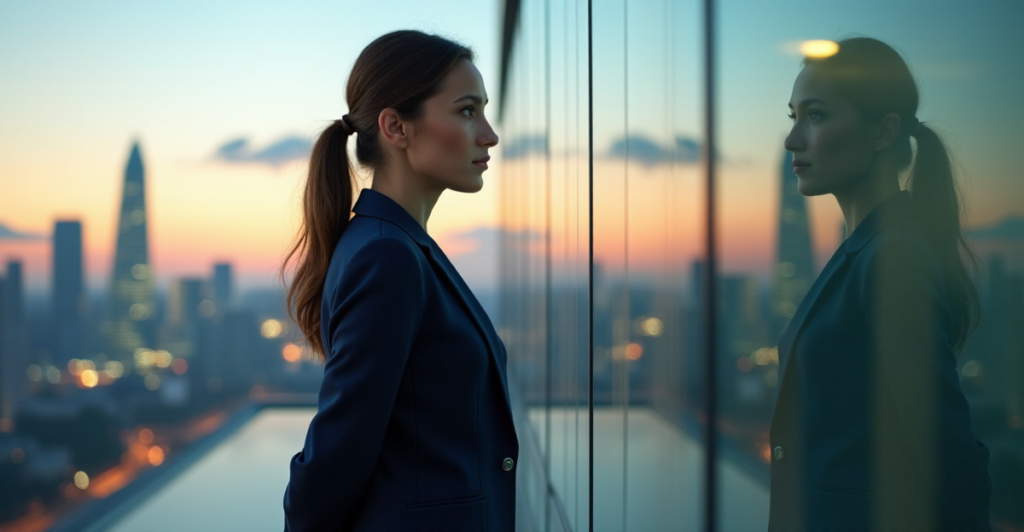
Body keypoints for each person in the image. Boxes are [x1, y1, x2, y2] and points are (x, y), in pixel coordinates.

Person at [281, 30, 518, 532]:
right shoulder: (387, 256)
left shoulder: (394, 245)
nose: (489, 135)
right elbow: (332, 461)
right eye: (467, 111)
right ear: (396, 127)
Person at [769, 37, 991, 531]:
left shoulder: (895, 257)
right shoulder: (867, 251)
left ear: (883, 131)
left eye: (816, 115)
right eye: (794, 116)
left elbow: (947, 460)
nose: (793, 140)